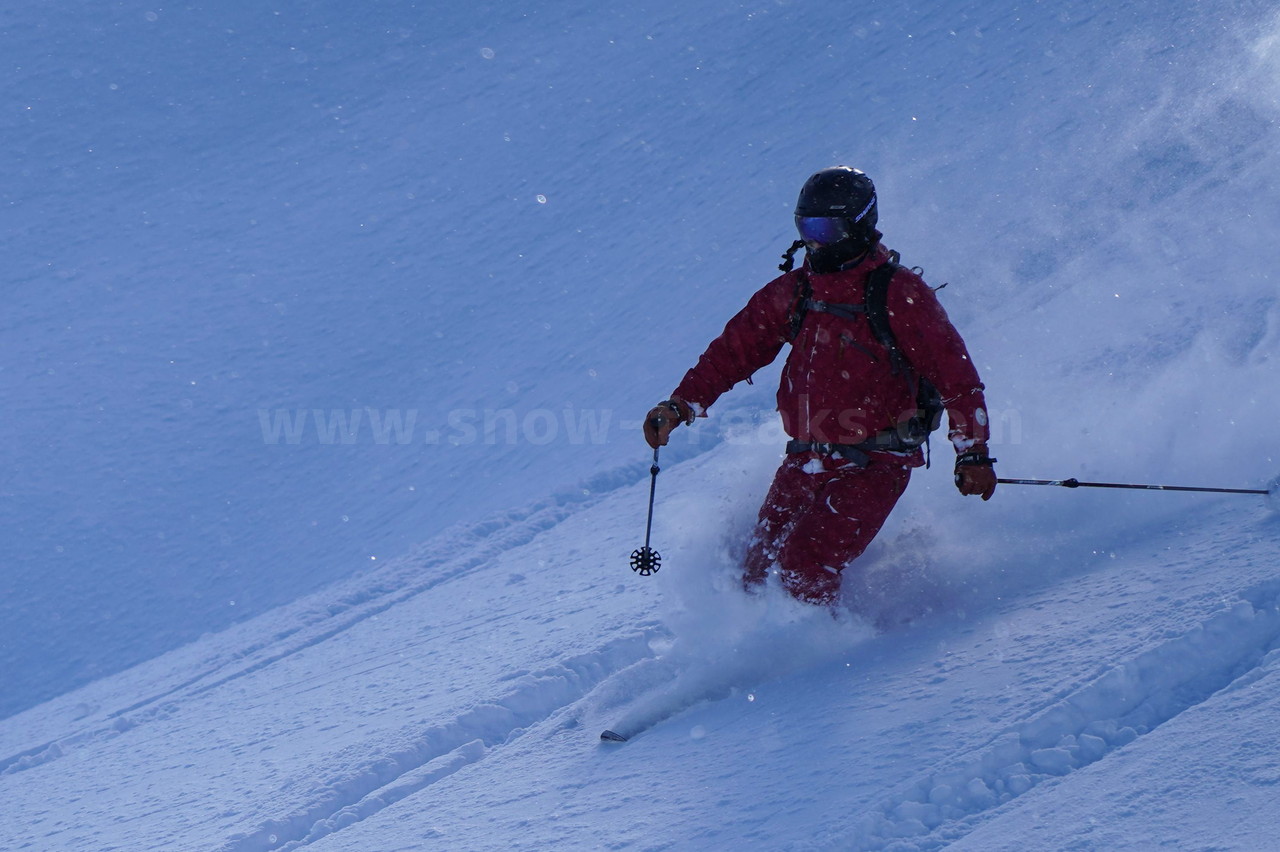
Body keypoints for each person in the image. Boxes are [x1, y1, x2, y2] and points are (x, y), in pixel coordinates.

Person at [643, 166, 996, 606]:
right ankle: (757, 659)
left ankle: (817, 663)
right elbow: (735, 349)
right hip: (806, 456)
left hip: (876, 462)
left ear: (858, 224)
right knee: (756, 571)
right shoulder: (798, 290)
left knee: (803, 566)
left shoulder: (898, 294)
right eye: (806, 227)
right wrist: (681, 404)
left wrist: (973, 452)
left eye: (825, 229)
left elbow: (957, 379)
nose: (814, 241)